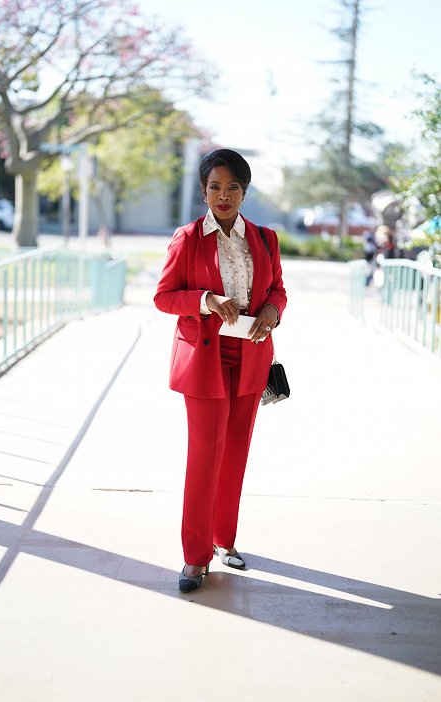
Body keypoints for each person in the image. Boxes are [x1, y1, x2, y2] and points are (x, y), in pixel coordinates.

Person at [154, 149, 287, 593]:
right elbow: (165, 296)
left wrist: (271, 307)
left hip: (251, 358)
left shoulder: (265, 239)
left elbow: (278, 291)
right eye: (215, 187)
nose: (224, 195)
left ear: (245, 191)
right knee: (204, 456)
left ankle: (224, 542)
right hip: (205, 361)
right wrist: (206, 300)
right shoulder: (188, 237)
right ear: (203, 190)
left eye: (233, 187)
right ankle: (195, 558)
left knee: (235, 454)